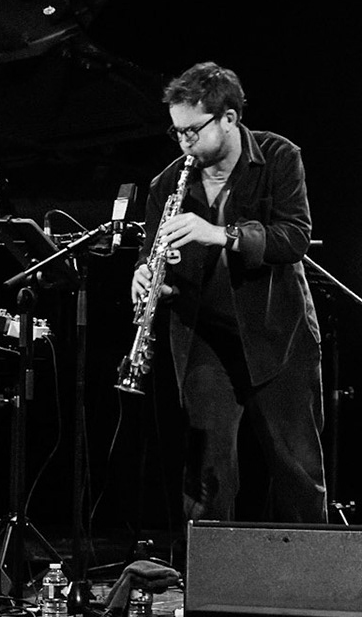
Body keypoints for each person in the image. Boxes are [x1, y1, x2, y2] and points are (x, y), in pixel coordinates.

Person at [131, 61, 326, 525]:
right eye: (176, 133)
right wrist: (143, 273)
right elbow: (147, 252)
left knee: (297, 468)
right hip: (204, 338)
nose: (184, 143)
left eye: (192, 132)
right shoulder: (167, 183)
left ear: (229, 119)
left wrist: (221, 234)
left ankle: (309, 589)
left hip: (278, 335)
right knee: (207, 475)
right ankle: (210, 589)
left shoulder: (279, 157)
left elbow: (294, 237)